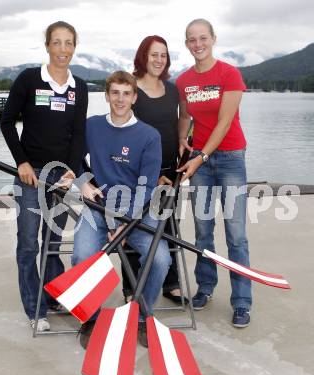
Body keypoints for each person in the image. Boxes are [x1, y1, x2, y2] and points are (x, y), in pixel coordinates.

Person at [72, 71, 172, 348]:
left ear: (134, 97)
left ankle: (140, 315)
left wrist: (124, 224)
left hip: (137, 212)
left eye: (126, 93)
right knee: (82, 255)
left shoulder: (149, 136)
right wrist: (82, 183)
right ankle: (90, 319)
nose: (120, 99)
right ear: (106, 96)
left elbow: (147, 187)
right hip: (97, 206)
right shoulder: (91, 126)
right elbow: (72, 158)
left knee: (161, 259)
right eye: (115, 92)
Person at [1, 21, 88, 332]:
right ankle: (35, 309)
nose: (63, 49)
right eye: (57, 42)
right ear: (48, 45)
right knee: (28, 243)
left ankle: (52, 294)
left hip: (60, 177)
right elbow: (7, 122)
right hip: (30, 176)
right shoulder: (28, 79)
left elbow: (78, 133)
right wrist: (21, 163)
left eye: (68, 43)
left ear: (74, 47)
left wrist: (72, 170)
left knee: (52, 242)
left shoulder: (79, 87)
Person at [176, 19, 252, 327]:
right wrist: (183, 137)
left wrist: (203, 155)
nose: (198, 44)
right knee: (203, 229)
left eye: (202, 38)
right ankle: (205, 287)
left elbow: (224, 122)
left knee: (236, 234)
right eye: (191, 39)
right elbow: (185, 115)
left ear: (213, 39)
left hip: (230, 157)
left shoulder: (229, 74)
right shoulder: (183, 81)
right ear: (187, 44)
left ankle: (242, 301)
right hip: (200, 161)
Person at [120, 35, 187, 305]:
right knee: (135, 227)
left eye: (163, 55)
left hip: (170, 170)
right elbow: (122, 125)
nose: (159, 60)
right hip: (138, 172)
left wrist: (183, 138)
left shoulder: (172, 90)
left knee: (168, 225)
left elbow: (183, 117)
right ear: (143, 57)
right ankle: (131, 287)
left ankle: (171, 283)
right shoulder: (131, 87)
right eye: (153, 54)